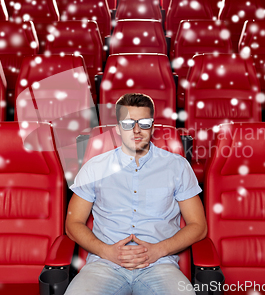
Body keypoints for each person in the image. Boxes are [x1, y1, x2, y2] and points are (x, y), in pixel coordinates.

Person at [65, 93, 207, 295]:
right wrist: (107, 252)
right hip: (104, 265)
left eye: (144, 123)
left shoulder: (177, 166)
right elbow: (73, 224)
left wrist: (159, 250)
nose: (137, 130)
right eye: (128, 123)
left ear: (153, 127)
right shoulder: (94, 167)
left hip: (160, 265)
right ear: (117, 129)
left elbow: (198, 226)